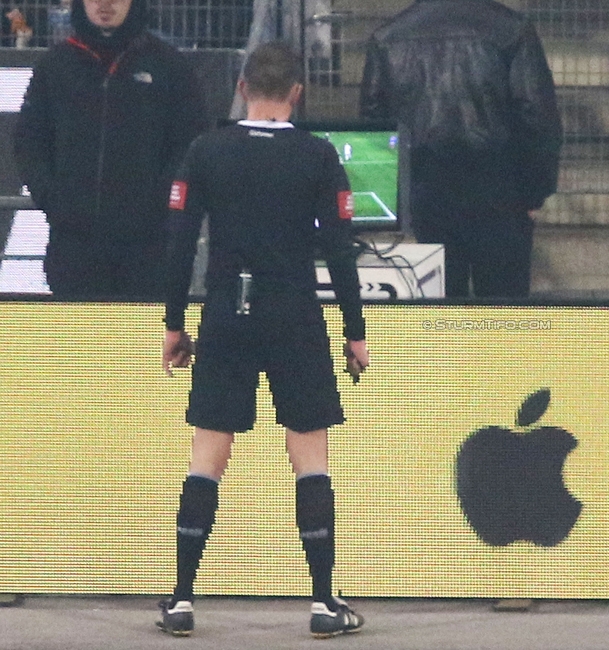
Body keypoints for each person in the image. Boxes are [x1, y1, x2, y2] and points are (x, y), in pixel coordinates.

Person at [156, 42, 369, 638]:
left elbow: (179, 244)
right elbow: (341, 253)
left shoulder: (207, 150)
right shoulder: (318, 155)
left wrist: (175, 322)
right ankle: (324, 604)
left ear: (244, 86)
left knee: (208, 458)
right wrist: (354, 331)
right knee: (311, 459)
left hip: (227, 313)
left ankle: (181, 600)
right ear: (296, 92)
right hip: (296, 316)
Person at [359, 0, 563, 299]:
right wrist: (535, 191)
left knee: (439, 308)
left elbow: (374, 122)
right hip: (501, 192)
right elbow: (537, 117)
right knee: (503, 312)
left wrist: (397, 197)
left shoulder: (389, 36)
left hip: (426, 191)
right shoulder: (511, 30)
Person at [13, 0, 208, 298]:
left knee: (139, 344)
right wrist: (53, 200)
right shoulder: (56, 65)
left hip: (147, 249)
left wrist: (158, 204)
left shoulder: (169, 65)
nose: (105, 4)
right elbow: (29, 139)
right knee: (78, 342)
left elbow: (191, 144)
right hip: (74, 247)